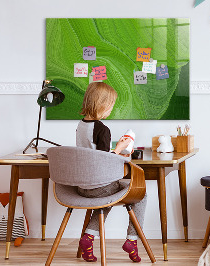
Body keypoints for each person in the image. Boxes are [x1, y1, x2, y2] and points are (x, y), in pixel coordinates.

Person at [76, 82, 147, 263]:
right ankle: (132, 240)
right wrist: (120, 148)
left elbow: (93, 155)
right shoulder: (102, 129)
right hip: (99, 186)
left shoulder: (81, 125)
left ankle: (88, 238)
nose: (111, 109)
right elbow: (103, 161)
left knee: (106, 198)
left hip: (82, 186)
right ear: (102, 105)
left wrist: (117, 151)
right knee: (141, 194)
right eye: (111, 105)